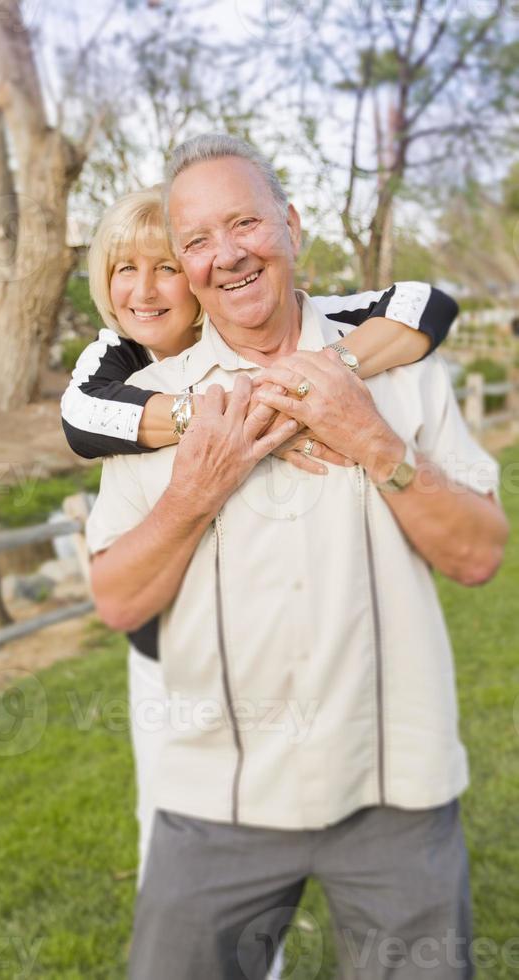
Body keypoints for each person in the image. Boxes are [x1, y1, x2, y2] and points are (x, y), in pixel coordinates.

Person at [84, 134, 509, 980]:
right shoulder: (155, 406)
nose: (226, 254)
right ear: (187, 262)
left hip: (398, 783)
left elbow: (478, 556)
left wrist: (370, 436)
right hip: (217, 795)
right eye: (198, 240)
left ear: (291, 224)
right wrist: (196, 489)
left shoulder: (404, 371)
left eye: (245, 223)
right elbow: (119, 603)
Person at [61, 186, 459, 888]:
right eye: (124, 269)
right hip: (170, 652)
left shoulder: (286, 328)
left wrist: (325, 373)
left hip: (287, 636)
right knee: (184, 833)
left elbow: (427, 302)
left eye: (163, 267)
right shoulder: (113, 359)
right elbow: (81, 418)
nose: (143, 291)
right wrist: (233, 415)